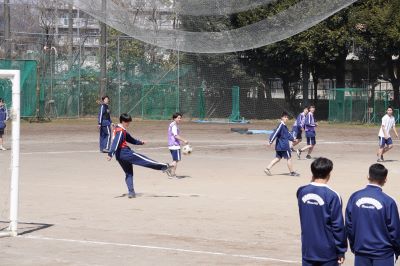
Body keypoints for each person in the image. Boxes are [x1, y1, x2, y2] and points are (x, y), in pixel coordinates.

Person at [345, 163, 400, 266]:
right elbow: (395, 231)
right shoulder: (388, 201)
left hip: (361, 252)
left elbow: (349, 226)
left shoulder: (355, 197)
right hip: (384, 254)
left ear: (368, 176)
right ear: (385, 180)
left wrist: (355, 246)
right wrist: (396, 251)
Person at [107, 113, 172, 198]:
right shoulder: (120, 131)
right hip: (125, 153)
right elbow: (116, 142)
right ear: (123, 121)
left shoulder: (119, 129)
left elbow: (130, 139)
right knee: (145, 160)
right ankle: (165, 166)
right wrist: (110, 154)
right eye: (127, 122)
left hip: (119, 156)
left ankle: (131, 193)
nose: (128, 124)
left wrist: (140, 142)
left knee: (129, 173)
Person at [297, 157, 347, 266]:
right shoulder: (333, 196)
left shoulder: (301, 191)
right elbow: (337, 226)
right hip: (328, 251)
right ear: (329, 174)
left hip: (308, 249)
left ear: (312, 173)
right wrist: (341, 250)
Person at [264, 112, 299, 177]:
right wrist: (270, 141)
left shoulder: (284, 126)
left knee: (278, 158)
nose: (286, 118)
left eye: (287, 117)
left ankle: (267, 168)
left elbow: (288, 135)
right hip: (284, 146)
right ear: (282, 118)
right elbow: (275, 133)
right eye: (285, 117)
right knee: (289, 158)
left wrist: (293, 139)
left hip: (279, 146)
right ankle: (292, 172)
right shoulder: (281, 125)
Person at [168, 112, 189, 178]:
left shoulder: (172, 124)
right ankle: (169, 171)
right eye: (178, 118)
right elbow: (176, 136)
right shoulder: (174, 126)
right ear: (174, 118)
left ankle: (172, 174)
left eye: (180, 118)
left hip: (171, 145)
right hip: (175, 145)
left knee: (175, 160)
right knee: (176, 160)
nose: (180, 119)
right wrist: (184, 140)